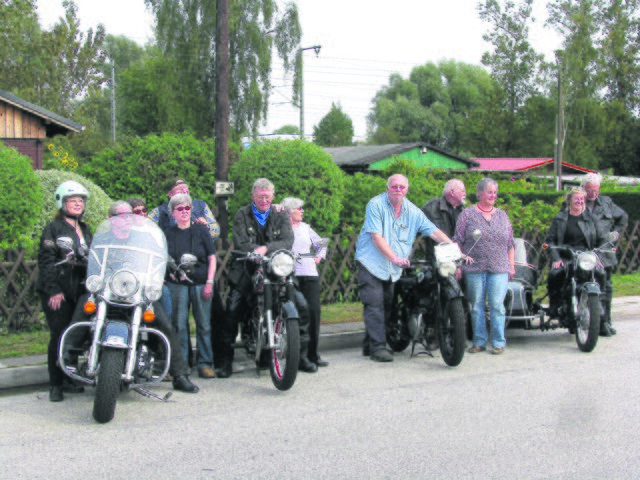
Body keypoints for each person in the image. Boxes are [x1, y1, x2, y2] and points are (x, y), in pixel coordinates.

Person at [68, 201, 199, 393]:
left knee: (165, 324)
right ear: (110, 219)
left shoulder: (144, 237)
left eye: (128, 216)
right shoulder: (103, 238)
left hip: (136, 291)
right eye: (119, 216)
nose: (125, 220)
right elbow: (92, 256)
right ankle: (67, 359)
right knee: (83, 307)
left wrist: (169, 263)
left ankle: (179, 375)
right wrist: (83, 256)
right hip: (108, 290)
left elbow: (160, 256)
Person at [218, 178, 317, 378]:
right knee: (232, 310)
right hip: (248, 267)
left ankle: (302, 357)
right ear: (253, 196)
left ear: (273, 196)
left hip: (276, 267)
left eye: (267, 196)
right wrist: (255, 252)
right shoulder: (242, 214)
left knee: (302, 306)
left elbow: (288, 240)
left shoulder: (280, 213)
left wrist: (266, 248)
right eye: (260, 196)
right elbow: (239, 241)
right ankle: (225, 362)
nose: (264, 199)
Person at [355, 174, 453, 362]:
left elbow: (433, 231)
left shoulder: (413, 211)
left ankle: (370, 343)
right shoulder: (375, 205)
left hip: (392, 267)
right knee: (374, 303)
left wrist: (454, 248)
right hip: (371, 262)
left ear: (407, 190)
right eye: (394, 186)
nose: (398, 190)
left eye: (402, 187)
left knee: (387, 304)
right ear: (387, 188)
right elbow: (376, 237)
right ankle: (377, 348)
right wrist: (395, 258)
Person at [36, 181, 92, 402]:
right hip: (58, 290)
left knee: (76, 333)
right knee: (59, 335)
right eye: (72, 200)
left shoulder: (86, 229)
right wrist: (53, 291)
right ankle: (55, 384)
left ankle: (69, 377)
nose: (77, 204)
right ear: (62, 202)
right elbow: (46, 261)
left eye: (80, 200)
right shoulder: (53, 228)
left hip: (79, 291)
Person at [454, 178, 515, 355]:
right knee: (476, 305)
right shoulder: (467, 214)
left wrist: (511, 266)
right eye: (489, 192)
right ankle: (479, 342)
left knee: (497, 305)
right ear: (479, 193)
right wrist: (460, 260)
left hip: (499, 267)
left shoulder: (502, 215)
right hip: (474, 268)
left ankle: (498, 342)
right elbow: (457, 240)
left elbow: (510, 243)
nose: (493, 196)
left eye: (495, 192)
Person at [162, 194, 217, 379]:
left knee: (203, 324)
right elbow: (162, 258)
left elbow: (211, 257)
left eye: (187, 208)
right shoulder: (167, 233)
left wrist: (210, 281)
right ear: (172, 213)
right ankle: (182, 364)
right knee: (179, 325)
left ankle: (205, 363)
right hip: (177, 284)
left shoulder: (201, 230)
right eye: (180, 209)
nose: (184, 212)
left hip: (201, 283)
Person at [545, 187, 608, 331]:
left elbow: (602, 239)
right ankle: (555, 305)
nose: (580, 201)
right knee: (555, 274)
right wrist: (555, 257)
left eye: (582, 199)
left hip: (586, 256)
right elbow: (549, 241)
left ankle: (599, 309)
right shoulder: (560, 218)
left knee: (601, 274)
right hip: (565, 256)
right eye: (577, 199)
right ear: (569, 200)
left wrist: (598, 256)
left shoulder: (591, 218)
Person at [281, 196, 329, 368]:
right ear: (288, 211)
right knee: (299, 314)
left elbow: (322, 243)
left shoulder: (305, 228)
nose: (302, 211)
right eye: (298, 208)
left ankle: (313, 355)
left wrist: (319, 256)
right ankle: (299, 357)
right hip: (291, 275)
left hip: (309, 274)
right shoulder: (281, 228)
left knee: (314, 313)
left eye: (302, 208)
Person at [582, 173, 628, 336]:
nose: (593, 194)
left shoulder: (607, 202)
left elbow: (623, 216)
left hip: (603, 252)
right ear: (583, 189)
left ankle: (605, 322)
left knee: (606, 288)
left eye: (596, 190)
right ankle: (583, 319)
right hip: (583, 253)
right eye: (590, 190)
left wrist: (615, 235)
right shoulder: (576, 201)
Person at [149, 178, 220, 240]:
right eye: (179, 189)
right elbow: (146, 230)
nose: (184, 191)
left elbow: (215, 230)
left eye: (185, 188)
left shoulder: (201, 205)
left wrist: (206, 227)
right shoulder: (159, 211)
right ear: (170, 194)